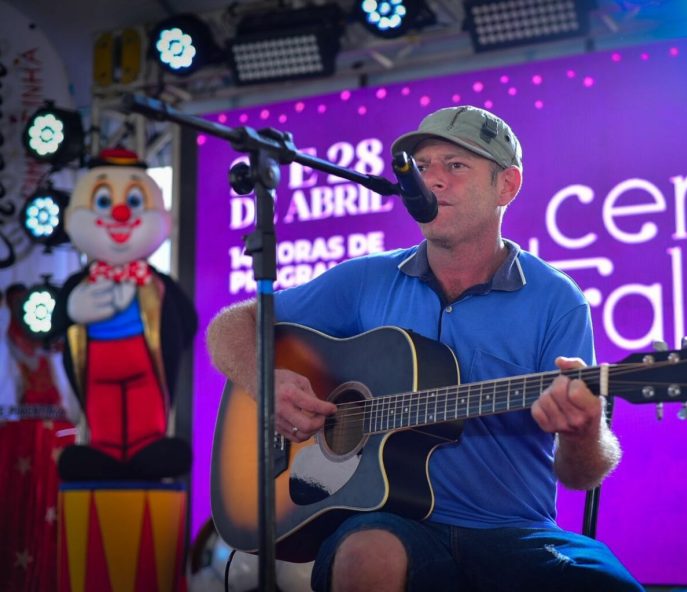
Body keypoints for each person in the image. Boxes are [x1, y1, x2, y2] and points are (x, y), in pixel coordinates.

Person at [207, 106, 643, 592]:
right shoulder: (366, 279)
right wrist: (265, 382)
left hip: (515, 534)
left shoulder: (557, 300)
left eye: (455, 166)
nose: (433, 180)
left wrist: (584, 433)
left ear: (507, 186)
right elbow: (232, 326)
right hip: (387, 523)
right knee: (366, 558)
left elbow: (579, 475)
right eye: (423, 167)